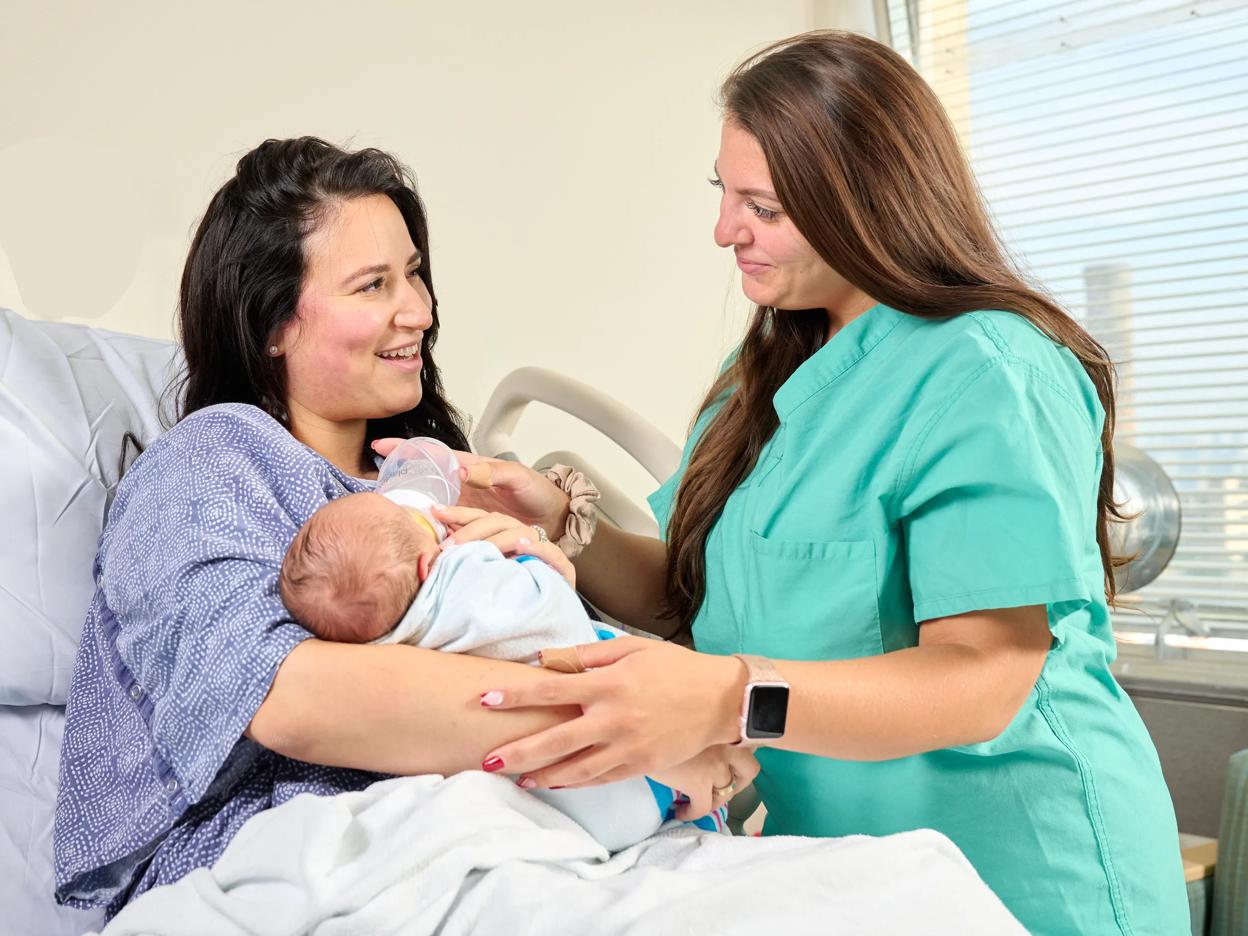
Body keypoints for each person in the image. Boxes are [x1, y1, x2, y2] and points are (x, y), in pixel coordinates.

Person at [412, 31, 1190, 936]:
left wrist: (723, 697)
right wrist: (566, 530)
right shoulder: (764, 382)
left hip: (1022, 876)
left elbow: (979, 680)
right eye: (724, 193)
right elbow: (700, 600)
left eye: (763, 207)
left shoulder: (988, 371)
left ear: (866, 203)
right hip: (851, 884)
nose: (724, 229)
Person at [52, 137, 756, 919]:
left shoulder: (444, 486)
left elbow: (632, 618)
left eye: (414, 273)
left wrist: (556, 540)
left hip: (567, 828)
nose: (418, 310)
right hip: (329, 850)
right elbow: (290, 696)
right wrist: (636, 736)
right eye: (373, 285)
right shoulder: (212, 462)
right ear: (271, 323)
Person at [278, 485, 724, 851]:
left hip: (564, 812)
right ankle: (709, 821)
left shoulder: (376, 643)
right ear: (427, 562)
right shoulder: (467, 569)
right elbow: (545, 597)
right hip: (629, 766)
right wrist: (531, 559)